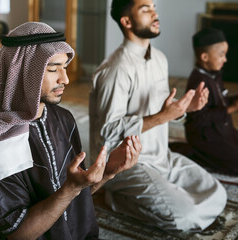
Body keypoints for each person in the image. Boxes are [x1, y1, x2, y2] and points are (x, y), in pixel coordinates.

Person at [0, 22, 142, 239]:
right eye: (53, 69)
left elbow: (75, 193)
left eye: (65, 67)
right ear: (24, 73)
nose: (65, 79)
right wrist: (71, 189)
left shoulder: (64, 118)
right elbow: (18, 233)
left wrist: (109, 171)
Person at [89, 0, 227, 231]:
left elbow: (163, 111)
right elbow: (109, 130)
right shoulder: (115, 69)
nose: (155, 13)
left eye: (153, 6)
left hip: (162, 156)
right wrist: (164, 116)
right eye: (145, 9)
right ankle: (117, 197)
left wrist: (186, 109)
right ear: (127, 21)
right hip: (129, 165)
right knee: (185, 217)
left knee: (218, 195)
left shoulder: (160, 59)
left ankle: (151, 195)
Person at [185, 27, 238, 175]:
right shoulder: (199, 82)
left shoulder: (214, 74)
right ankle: (195, 155)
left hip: (222, 129)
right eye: (221, 55)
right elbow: (200, 118)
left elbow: (222, 100)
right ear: (205, 57)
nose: (225, 59)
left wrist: (234, 100)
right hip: (206, 137)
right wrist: (232, 108)